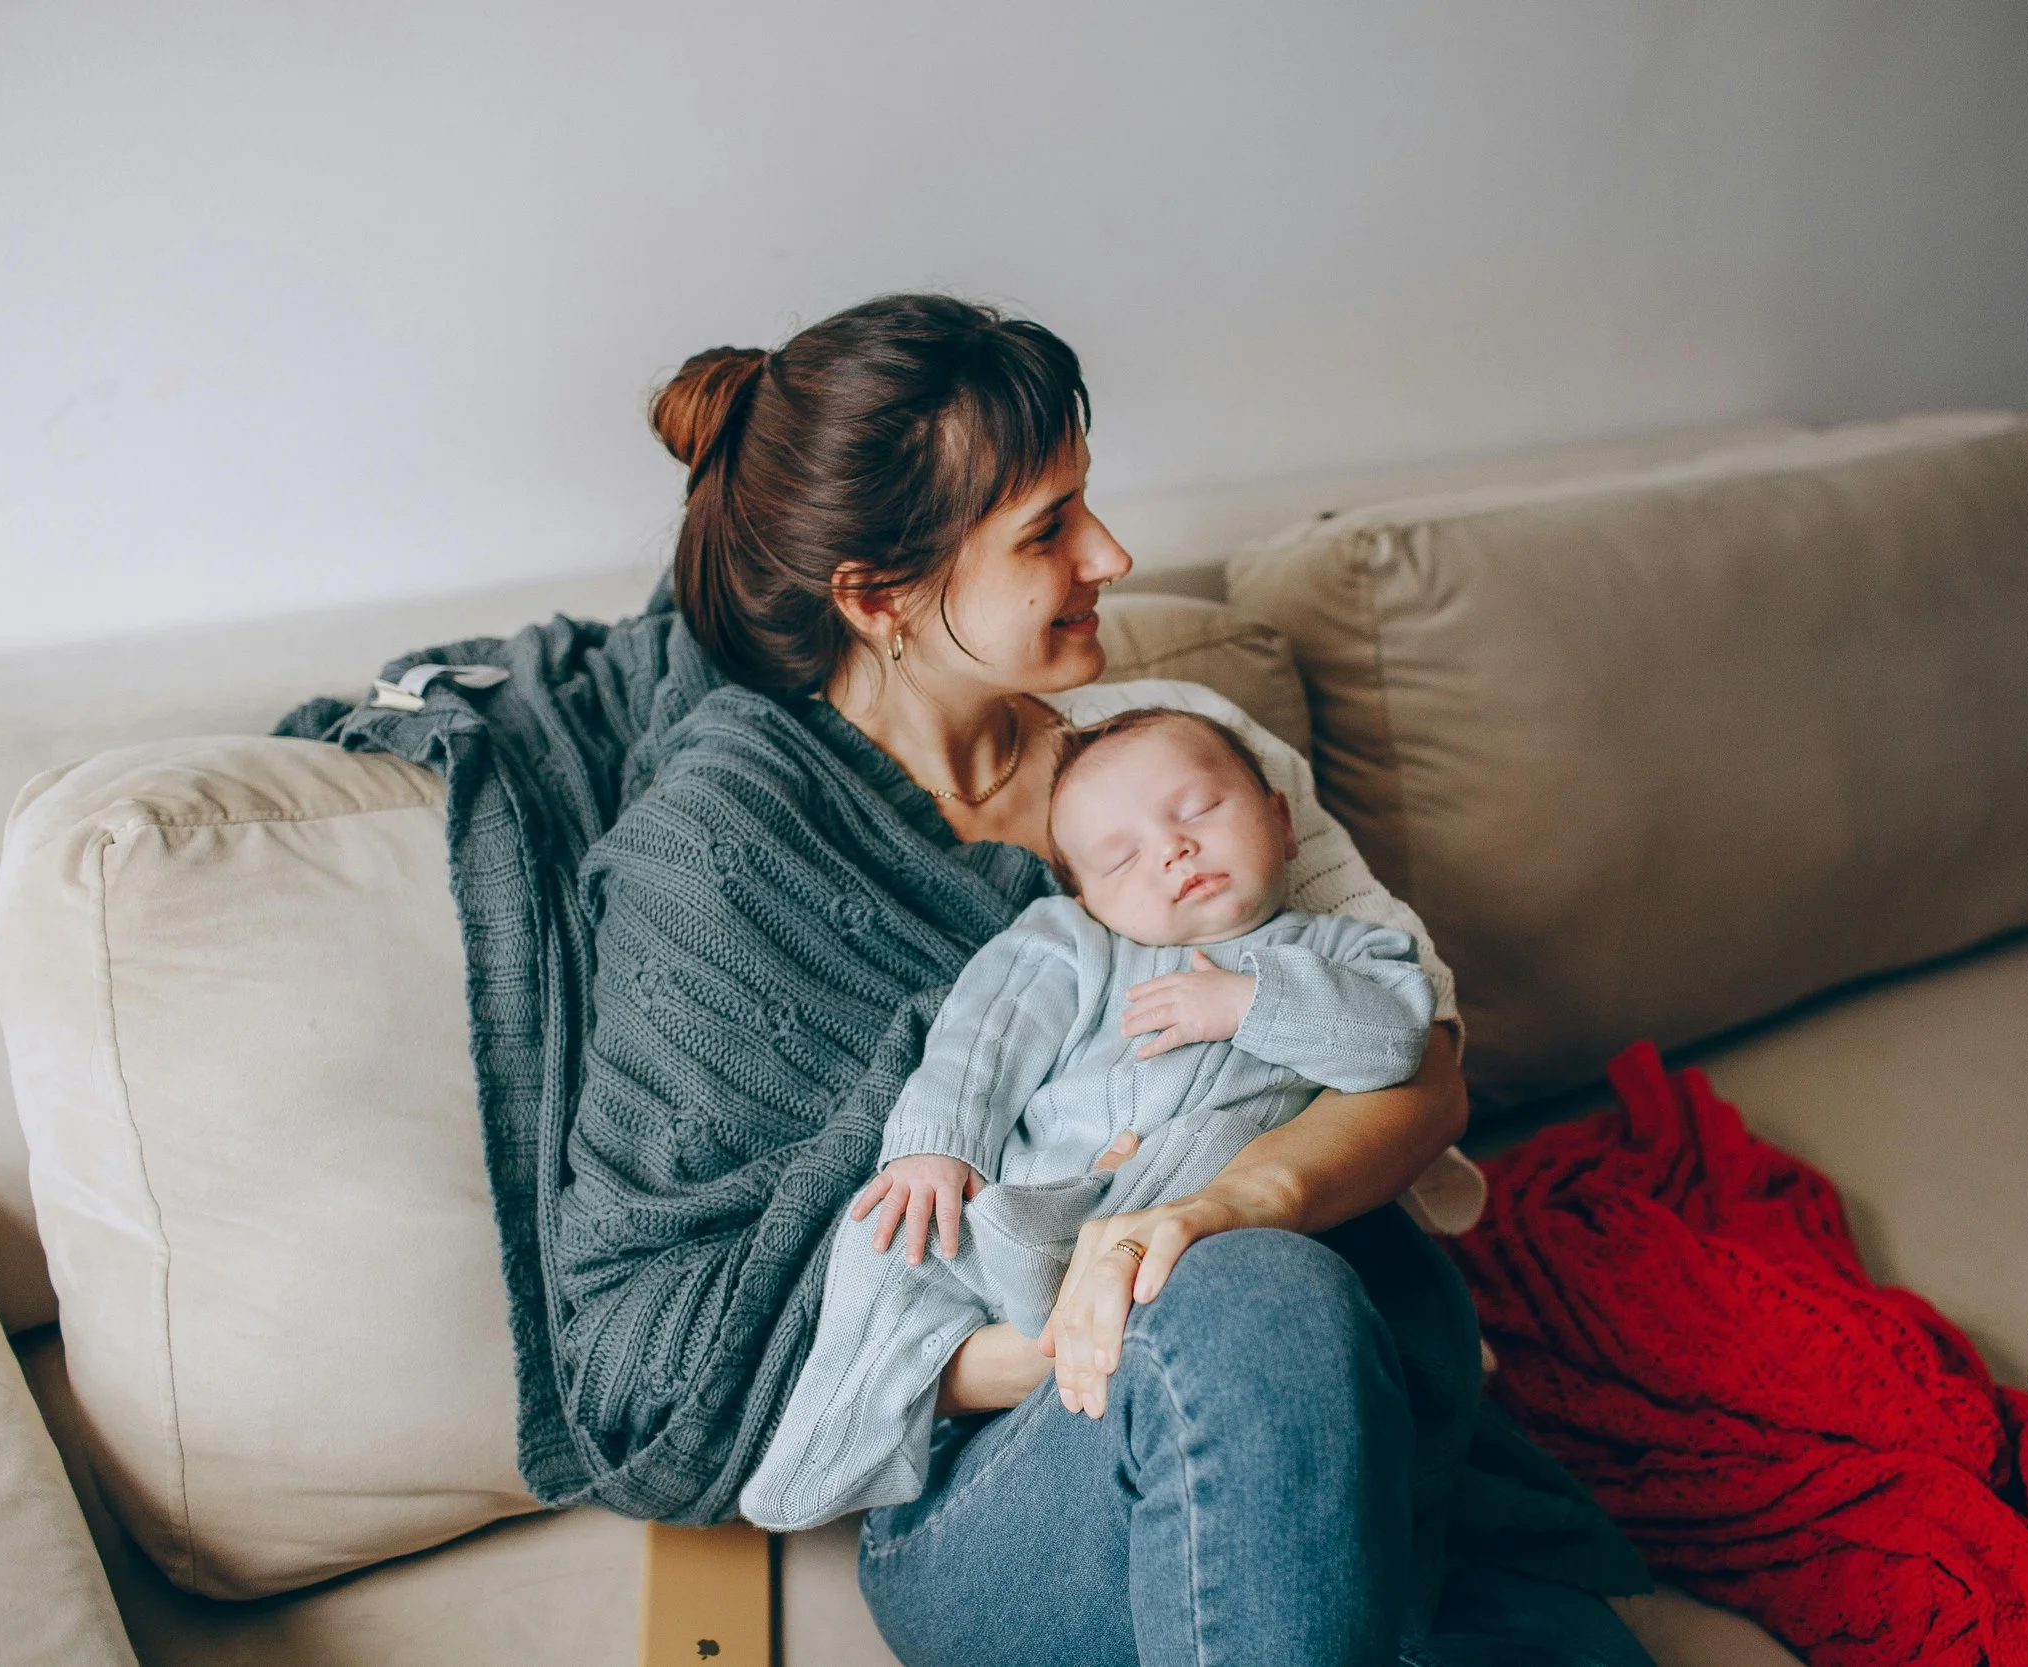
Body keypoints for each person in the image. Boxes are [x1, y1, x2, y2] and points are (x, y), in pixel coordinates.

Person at [638, 294, 1805, 1667]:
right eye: (1048, 529)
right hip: (1005, 1475)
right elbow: (703, 1324)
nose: (1112, 555)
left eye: (1088, 503)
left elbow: (1421, 1069)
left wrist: (1225, 1205)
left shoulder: (1184, 750)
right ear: (877, 595)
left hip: (1324, 1391)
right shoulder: (737, 859)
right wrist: (1095, 1310)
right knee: (1251, 1298)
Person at [741, 707, 1440, 1531]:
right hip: (1017, 1208)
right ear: (1089, 894)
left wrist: (1248, 1003)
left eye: (1198, 810)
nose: (1173, 849)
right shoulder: (1073, 941)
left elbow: (1395, 1044)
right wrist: (935, 1147)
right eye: (1121, 856)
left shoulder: (1350, 954)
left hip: (1169, 1243)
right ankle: (836, 1433)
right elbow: (981, 1041)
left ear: (1282, 822)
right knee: (887, 1236)